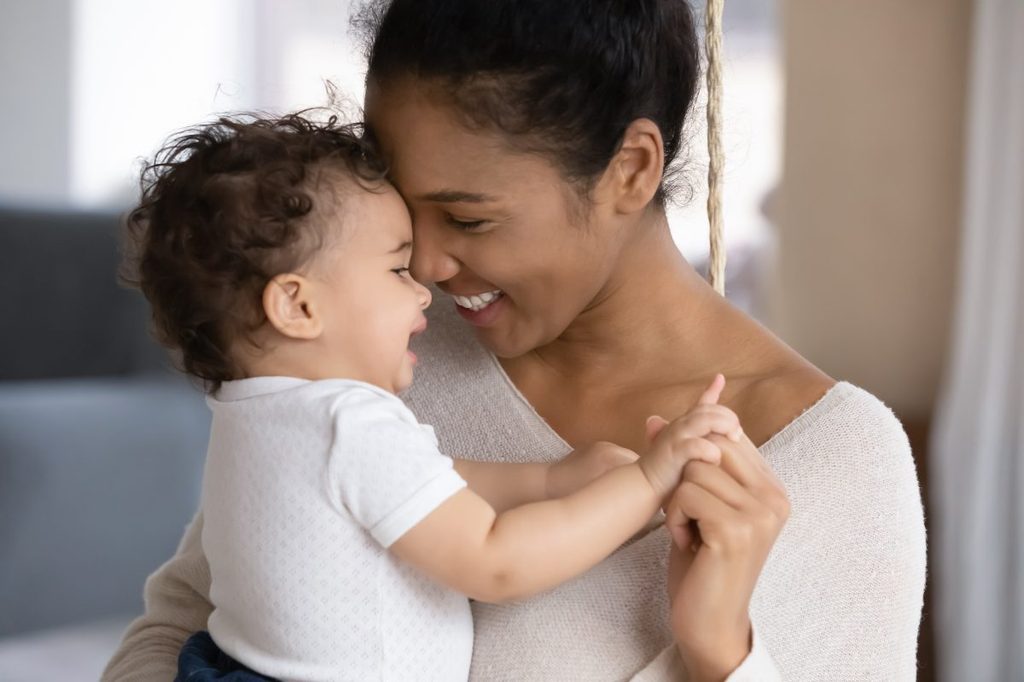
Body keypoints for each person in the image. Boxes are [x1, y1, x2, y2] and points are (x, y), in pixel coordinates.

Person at [103, 1, 927, 680]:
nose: (424, 263)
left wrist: (720, 657)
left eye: (467, 217)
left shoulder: (835, 461)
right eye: (402, 207)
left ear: (632, 170)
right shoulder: (366, 352)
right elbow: (176, 630)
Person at [118, 113, 745, 681]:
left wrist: (554, 479)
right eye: (396, 268)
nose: (423, 287)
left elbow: (430, 483)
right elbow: (496, 562)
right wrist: (648, 484)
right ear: (298, 305)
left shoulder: (256, 414)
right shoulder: (347, 420)